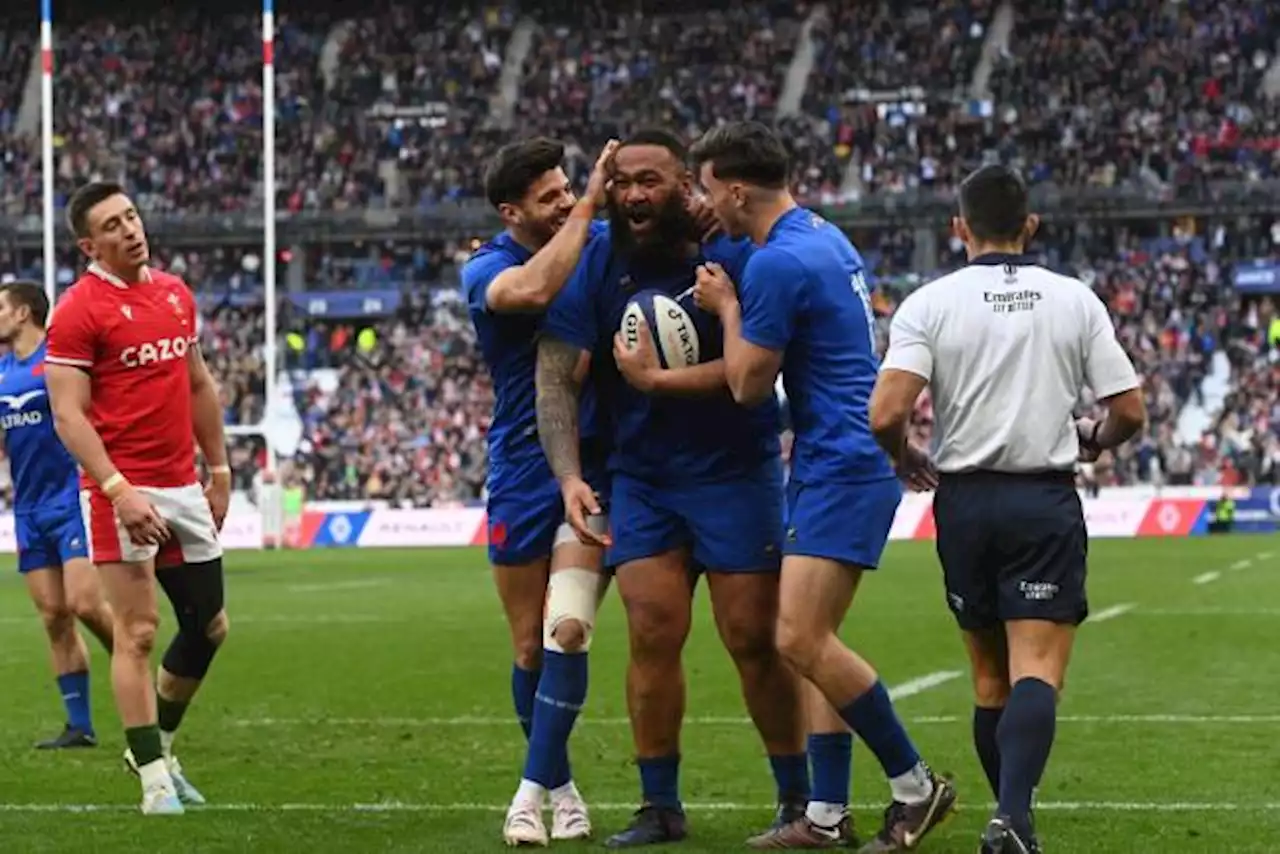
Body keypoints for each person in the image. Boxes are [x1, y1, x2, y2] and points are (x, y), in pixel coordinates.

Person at [690, 121, 957, 852]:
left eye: (708, 189)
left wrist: (726, 307)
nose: (704, 203)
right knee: (812, 643)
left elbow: (747, 384)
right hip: (840, 457)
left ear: (736, 189)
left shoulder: (776, 266)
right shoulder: (823, 236)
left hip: (840, 463)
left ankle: (914, 785)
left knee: (798, 637)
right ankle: (827, 817)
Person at [538, 128, 808, 849]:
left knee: (752, 639)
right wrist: (568, 474)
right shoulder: (595, 259)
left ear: (684, 182)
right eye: (623, 181)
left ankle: (796, 798)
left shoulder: (735, 253)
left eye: (651, 180)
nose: (634, 194)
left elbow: (758, 373)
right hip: (645, 479)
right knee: (652, 634)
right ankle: (660, 805)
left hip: (735, 471)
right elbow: (558, 374)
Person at [867, 164, 1145, 854]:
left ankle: (1010, 817)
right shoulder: (1074, 299)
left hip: (964, 501)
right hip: (1040, 498)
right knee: (1037, 671)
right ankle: (1012, 820)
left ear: (957, 228)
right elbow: (1129, 412)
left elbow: (885, 414)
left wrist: (905, 456)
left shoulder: (928, 303)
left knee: (989, 678)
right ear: (1031, 226)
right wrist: (1093, 441)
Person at [45, 181, 235, 816]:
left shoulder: (175, 294)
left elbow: (198, 383)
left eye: (131, 216)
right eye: (113, 224)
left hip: (183, 483)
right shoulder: (77, 310)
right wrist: (117, 489)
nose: (130, 229)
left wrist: (221, 469)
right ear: (88, 244)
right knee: (139, 631)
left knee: (209, 625)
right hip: (120, 488)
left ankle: (156, 748)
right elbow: (69, 417)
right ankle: (155, 780)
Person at [461, 136, 618, 845]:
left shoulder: (599, 234)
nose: (565, 202)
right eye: (550, 196)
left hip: (597, 464)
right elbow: (532, 291)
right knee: (528, 644)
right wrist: (585, 210)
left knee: (569, 628)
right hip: (522, 468)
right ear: (510, 211)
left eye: (568, 188)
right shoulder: (487, 266)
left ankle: (527, 794)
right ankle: (560, 786)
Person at [0, 280, 115, 749]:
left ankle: (134, 662)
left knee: (85, 604)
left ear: (23, 312)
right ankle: (79, 725)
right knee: (53, 616)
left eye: (1, 308)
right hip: (28, 508)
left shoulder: (58, 363)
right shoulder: (4, 371)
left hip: (71, 500)